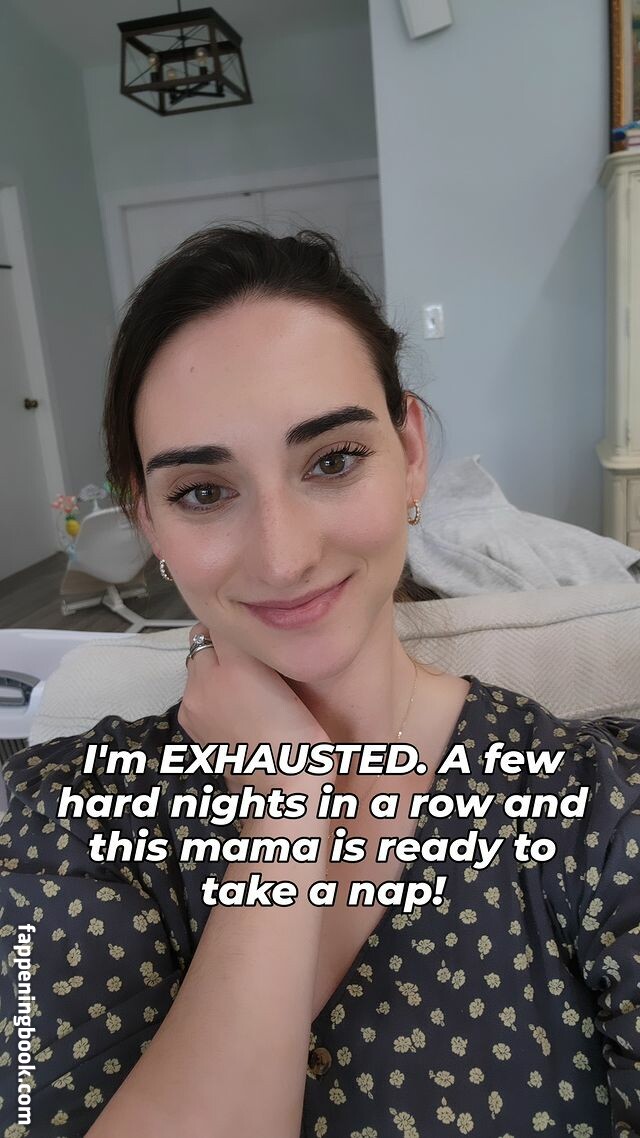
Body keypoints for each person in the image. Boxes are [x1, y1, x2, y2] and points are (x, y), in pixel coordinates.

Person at [0, 226, 638, 1138]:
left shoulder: (598, 809)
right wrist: (285, 812)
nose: (284, 556)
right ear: (147, 518)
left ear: (410, 452)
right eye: (203, 491)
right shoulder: (58, 817)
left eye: (332, 460)